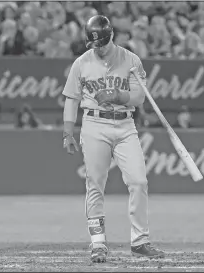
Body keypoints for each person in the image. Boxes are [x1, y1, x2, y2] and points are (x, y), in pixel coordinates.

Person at [61, 15, 165, 263]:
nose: (98, 48)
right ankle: (98, 244)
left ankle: (140, 241)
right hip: (94, 123)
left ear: (111, 37)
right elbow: (71, 98)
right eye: (94, 43)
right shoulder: (82, 62)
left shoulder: (131, 59)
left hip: (125, 124)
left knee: (139, 181)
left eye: (102, 43)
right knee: (95, 183)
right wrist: (68, 133)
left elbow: (139, 97)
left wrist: (119, 95)